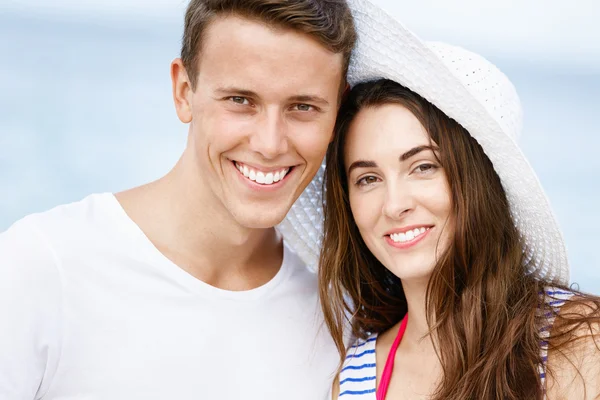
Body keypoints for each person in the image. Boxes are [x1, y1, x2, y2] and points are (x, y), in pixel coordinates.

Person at [0, 1, 357, 399]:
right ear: (184, 92)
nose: (270, 144)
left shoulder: (337, 319)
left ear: (337, 114)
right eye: (241, 100)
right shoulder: (42, 268)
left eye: (303, 107)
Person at [283, 0, 600, 399]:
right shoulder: (356, 380)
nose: (394, 204)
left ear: (476, 179)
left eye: (423, 167)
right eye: (368, 178)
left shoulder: (577, 343)